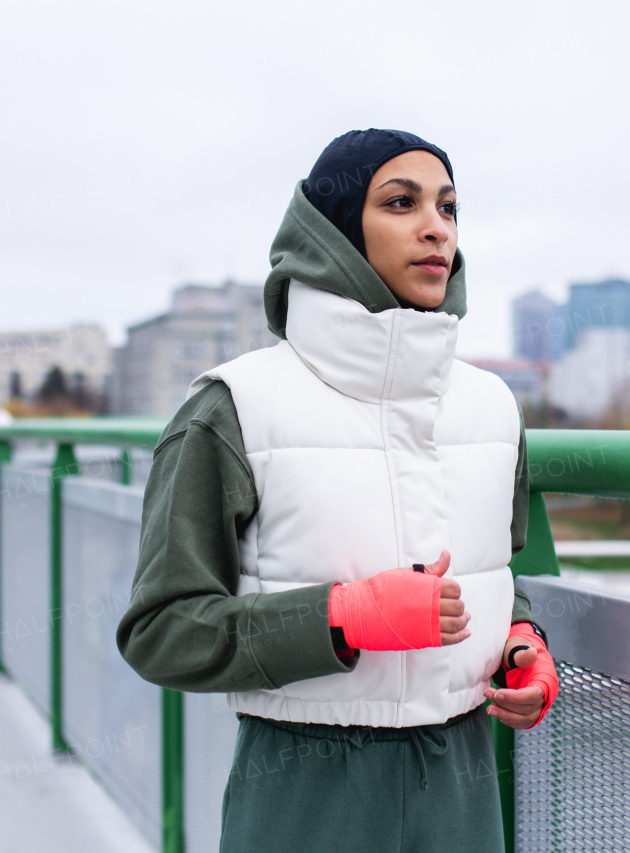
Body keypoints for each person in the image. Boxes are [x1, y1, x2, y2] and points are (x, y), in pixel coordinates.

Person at [116, 128, 560, 852]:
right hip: (307, 794)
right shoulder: (233, 407)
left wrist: (523, 641)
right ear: (332, 230)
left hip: (465, 790)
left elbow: (508, 570)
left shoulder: (493, 407)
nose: (434, 227)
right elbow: (161, 631)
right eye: (400, 202)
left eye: (448, 207)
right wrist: (345, 616)